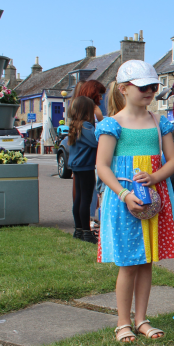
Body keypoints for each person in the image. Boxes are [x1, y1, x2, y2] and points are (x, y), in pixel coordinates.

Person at [95, 60, 174, 342]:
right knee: (128, 262)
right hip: (125, 201)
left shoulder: (160, 122)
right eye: (143, 86)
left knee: (146, 260)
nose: (150, 91)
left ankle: (142, 319)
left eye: (154, 87)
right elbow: (102, 166)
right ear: (123, 89)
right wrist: (124, 195)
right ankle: (123, 323)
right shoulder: (113, 124)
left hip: (153, 200)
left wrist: (155, 177)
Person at [67, 96, 98, 243]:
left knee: (78, 198)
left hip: (76, 165)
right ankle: (87, 232)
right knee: (86, 199)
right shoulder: (86, 126)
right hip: (86, 166)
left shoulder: (74, 124)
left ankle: (78, 229)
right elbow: (96, 140)